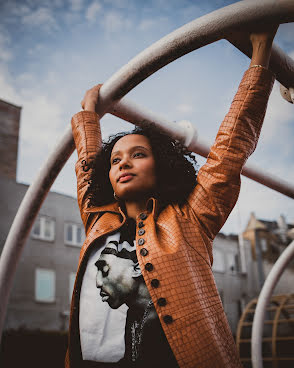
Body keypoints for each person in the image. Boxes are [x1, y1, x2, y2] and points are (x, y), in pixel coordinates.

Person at [65, 27, 278, 368]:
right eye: (116, 160)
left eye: (137, 155)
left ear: (161, 165)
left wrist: (261, 53)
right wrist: (89, 111)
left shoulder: (191, 217)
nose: (123, 164)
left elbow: (230, 148)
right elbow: (87, 165)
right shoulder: (97, 218)